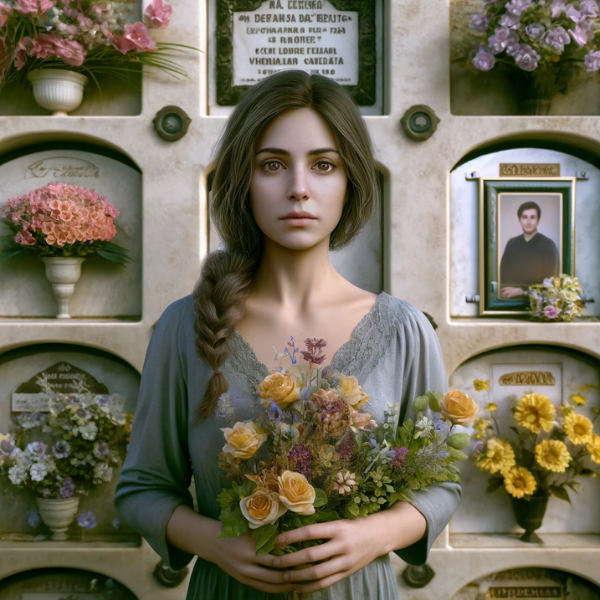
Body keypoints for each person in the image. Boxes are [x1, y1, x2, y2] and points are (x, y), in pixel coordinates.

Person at [114, 70, 461, 599]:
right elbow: (141, 491)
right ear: (243, 181)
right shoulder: (184, 327)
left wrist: (374, 534)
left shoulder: (405, 330)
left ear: (352, 181)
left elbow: (441, 483)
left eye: (324, 165)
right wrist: (215, 542)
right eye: (272, 165)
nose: (298, 187)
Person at [500, 201, 560, 299]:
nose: (528, 222)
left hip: (537, 303)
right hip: (509, 300)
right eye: (524, 217)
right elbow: (502, 276)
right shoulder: (511, 243)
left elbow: (551, 283)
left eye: (532, 217)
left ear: (538, 220)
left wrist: (523, 291)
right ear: (520, 219)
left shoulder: (548, 245)